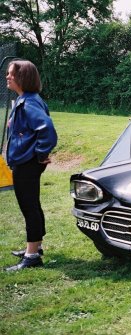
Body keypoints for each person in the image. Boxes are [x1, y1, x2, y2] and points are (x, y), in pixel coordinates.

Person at [4, 60, 57, 271]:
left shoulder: (29, 102)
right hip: (27, 161)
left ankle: (32, 255)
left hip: (27, 163)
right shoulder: (24, 100)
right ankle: (35, 246)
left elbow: (47, 131)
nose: (7, 77)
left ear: (22, 77)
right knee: (32, 204)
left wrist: (40, 154)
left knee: (29, 206)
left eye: (11, 74)